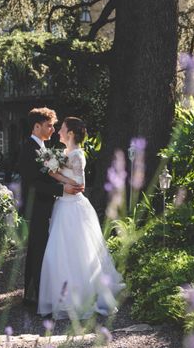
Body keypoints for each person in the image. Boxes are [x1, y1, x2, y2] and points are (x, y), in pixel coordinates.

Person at [37, 117, 125, 319]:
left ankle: (81, 299)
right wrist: (55, 169)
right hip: (63, 207)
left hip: (74, 209)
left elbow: (80, 185)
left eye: (62, 128)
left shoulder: (77, 154)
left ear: (70, 134)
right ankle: (64, 299)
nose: (58, 131)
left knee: (78, 254)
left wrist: (56, 174)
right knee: (58, 255)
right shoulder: (65, 153)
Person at [18, 108, 84, 305]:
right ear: (36, 126)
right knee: (38, 251)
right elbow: (33, 184)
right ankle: (38, 298)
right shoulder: (29, 149)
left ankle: (34, 295)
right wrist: (61, 189)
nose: (53, 130)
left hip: (47, 206)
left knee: (39, 251)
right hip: (37, 207)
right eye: (49, 125)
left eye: (54, 125)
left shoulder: (42, 149)